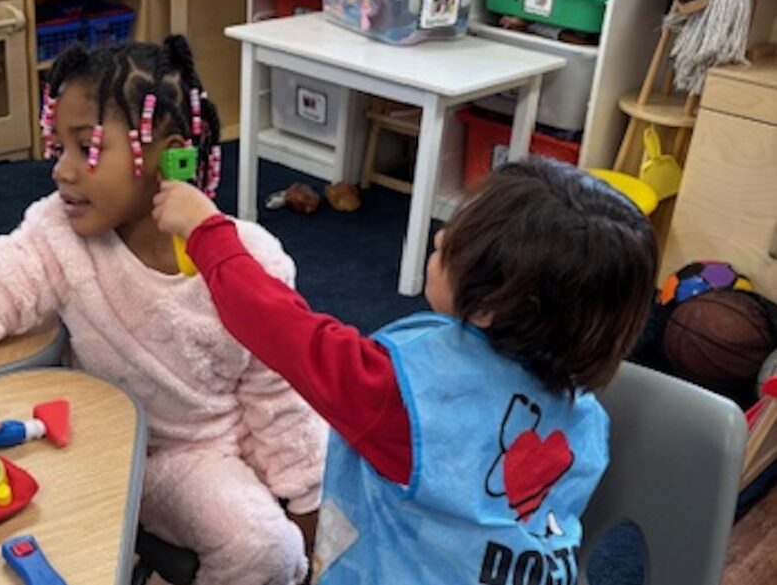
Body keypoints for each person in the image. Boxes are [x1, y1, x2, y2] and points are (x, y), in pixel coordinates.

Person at [0, 37, 327, 585]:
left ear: (169, 155)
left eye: (87, 149)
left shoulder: (253, 261)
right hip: (127, 449)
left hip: (213, 448)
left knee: (285, 543)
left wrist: (306, 511)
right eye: (59, 149)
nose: (62, 172)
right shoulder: (58, 235)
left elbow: (281, 398)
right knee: (264, 544)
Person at [152, 159, 657, 584]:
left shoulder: (399, 398)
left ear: (493, 306)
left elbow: (278, 327)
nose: (440, 236)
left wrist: (206, 231)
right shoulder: (588, 421)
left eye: (458, 238)